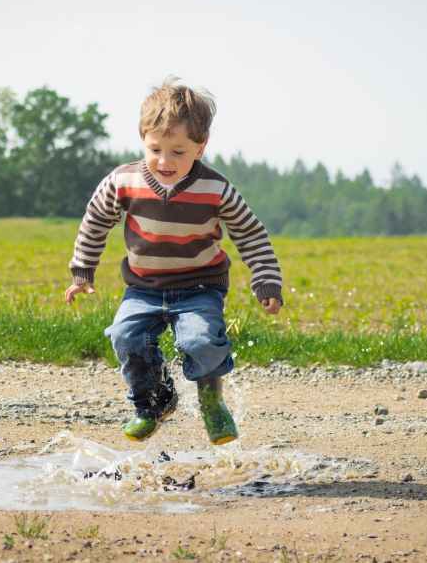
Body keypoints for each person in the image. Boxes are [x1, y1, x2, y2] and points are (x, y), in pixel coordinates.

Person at [65, 78, 283, 445]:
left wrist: (266, 281)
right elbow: (95, 221)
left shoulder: (216, 189)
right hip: (143, 288)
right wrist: (82, 271)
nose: (165, 162)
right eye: (155, 149)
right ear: (143, 139)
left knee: (201, 341)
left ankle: (211, 400)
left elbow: (250, 234)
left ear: (201, 146)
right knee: (125, 337)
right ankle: (153, 401)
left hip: (200, 287)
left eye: (178, 152)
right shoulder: (123, 181)